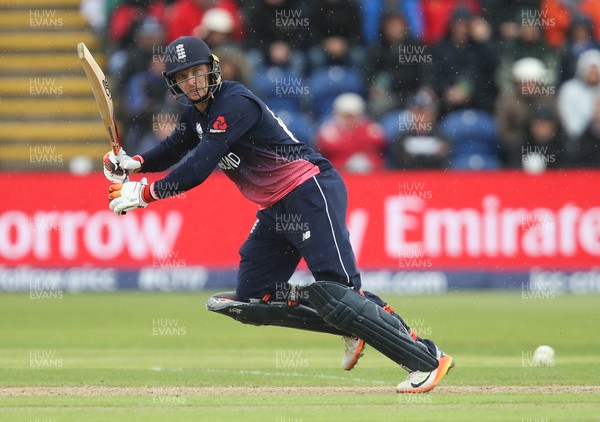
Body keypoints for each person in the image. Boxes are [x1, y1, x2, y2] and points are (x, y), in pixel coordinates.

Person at [102, 36, 454, 393]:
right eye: (184, 76)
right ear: (174, 83)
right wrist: (135, 163)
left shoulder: (233, 103)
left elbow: (197, 168)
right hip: (275, 208)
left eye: (198, 72)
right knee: (254, 295)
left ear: (212, 68)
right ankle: (349, 324)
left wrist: (144, 194)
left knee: (341, 291)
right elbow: (174, 147)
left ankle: (427, 357)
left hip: (308, 189)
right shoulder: (196, 114)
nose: (192, 81)